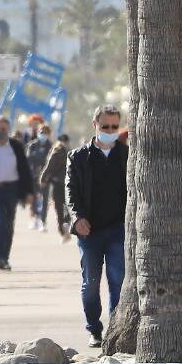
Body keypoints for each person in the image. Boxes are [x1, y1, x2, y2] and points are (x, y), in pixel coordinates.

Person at [67, 106, 129, 349]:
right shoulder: (79, 157)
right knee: (90, 283)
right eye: (105, 127)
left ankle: (115, 330)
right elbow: (70, 191)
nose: (110, 131)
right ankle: (94, 329)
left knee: (118, 280)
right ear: (95, 124)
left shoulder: (127, 155)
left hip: (119, 229)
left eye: (115, 127)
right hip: (89, 231)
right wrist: (77, 218)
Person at [0, 115, 36, 271]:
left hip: (12, 190)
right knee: (0, 221)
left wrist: (29, 192)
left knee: (9, 224)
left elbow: (24, 169)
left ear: (8, 129)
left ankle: (4, 258)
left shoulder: (16, 146)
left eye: (4, 129)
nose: (1, 131)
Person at [38, 134, 73, 240]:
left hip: (57, 184)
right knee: (70, 206)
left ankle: (62, 230)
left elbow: (49, 166)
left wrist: (43, 178)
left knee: (58, 208)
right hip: (68, 183)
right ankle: (66, 223)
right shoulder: (71, 152)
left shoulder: (56, 151)